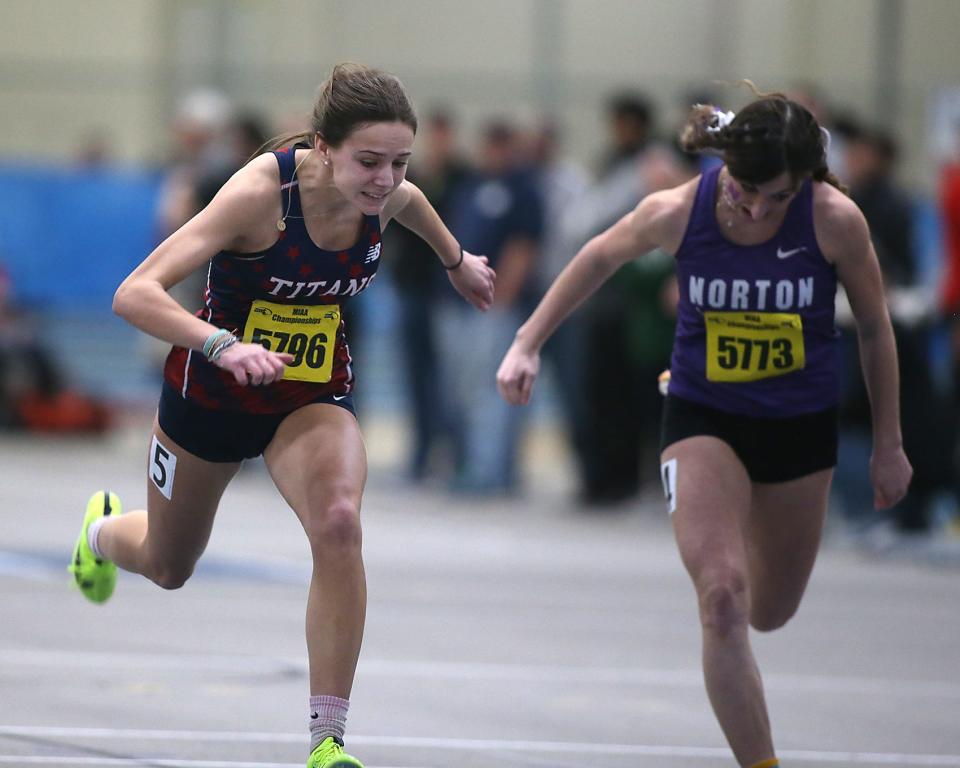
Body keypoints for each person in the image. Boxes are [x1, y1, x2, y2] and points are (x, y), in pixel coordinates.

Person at [67, 63, 495, 768]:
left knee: (339, 522)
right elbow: (133, 293)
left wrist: (456, 261)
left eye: (399, 161)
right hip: (211, 394)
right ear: (322, 146)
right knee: (170, 566)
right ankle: (103, 532)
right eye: (368, 162)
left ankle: (328, 743)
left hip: (305, 395)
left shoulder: (383, 195)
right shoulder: (258, 196)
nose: (384, 180)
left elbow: (412, 201)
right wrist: (222, 345)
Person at [497, 87, 912, 767]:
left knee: (768, 612)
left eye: (777, 199)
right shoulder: (681, 209)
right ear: (726, 165)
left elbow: (874, 327)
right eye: (746, 192)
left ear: (804, 181)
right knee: (722, 596)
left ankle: (740, 526)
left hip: (799, 427)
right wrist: (527, 342)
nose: (755, 209)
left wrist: (890, 444)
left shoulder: (836, 221)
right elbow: (599, 255)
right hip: (702, 413)